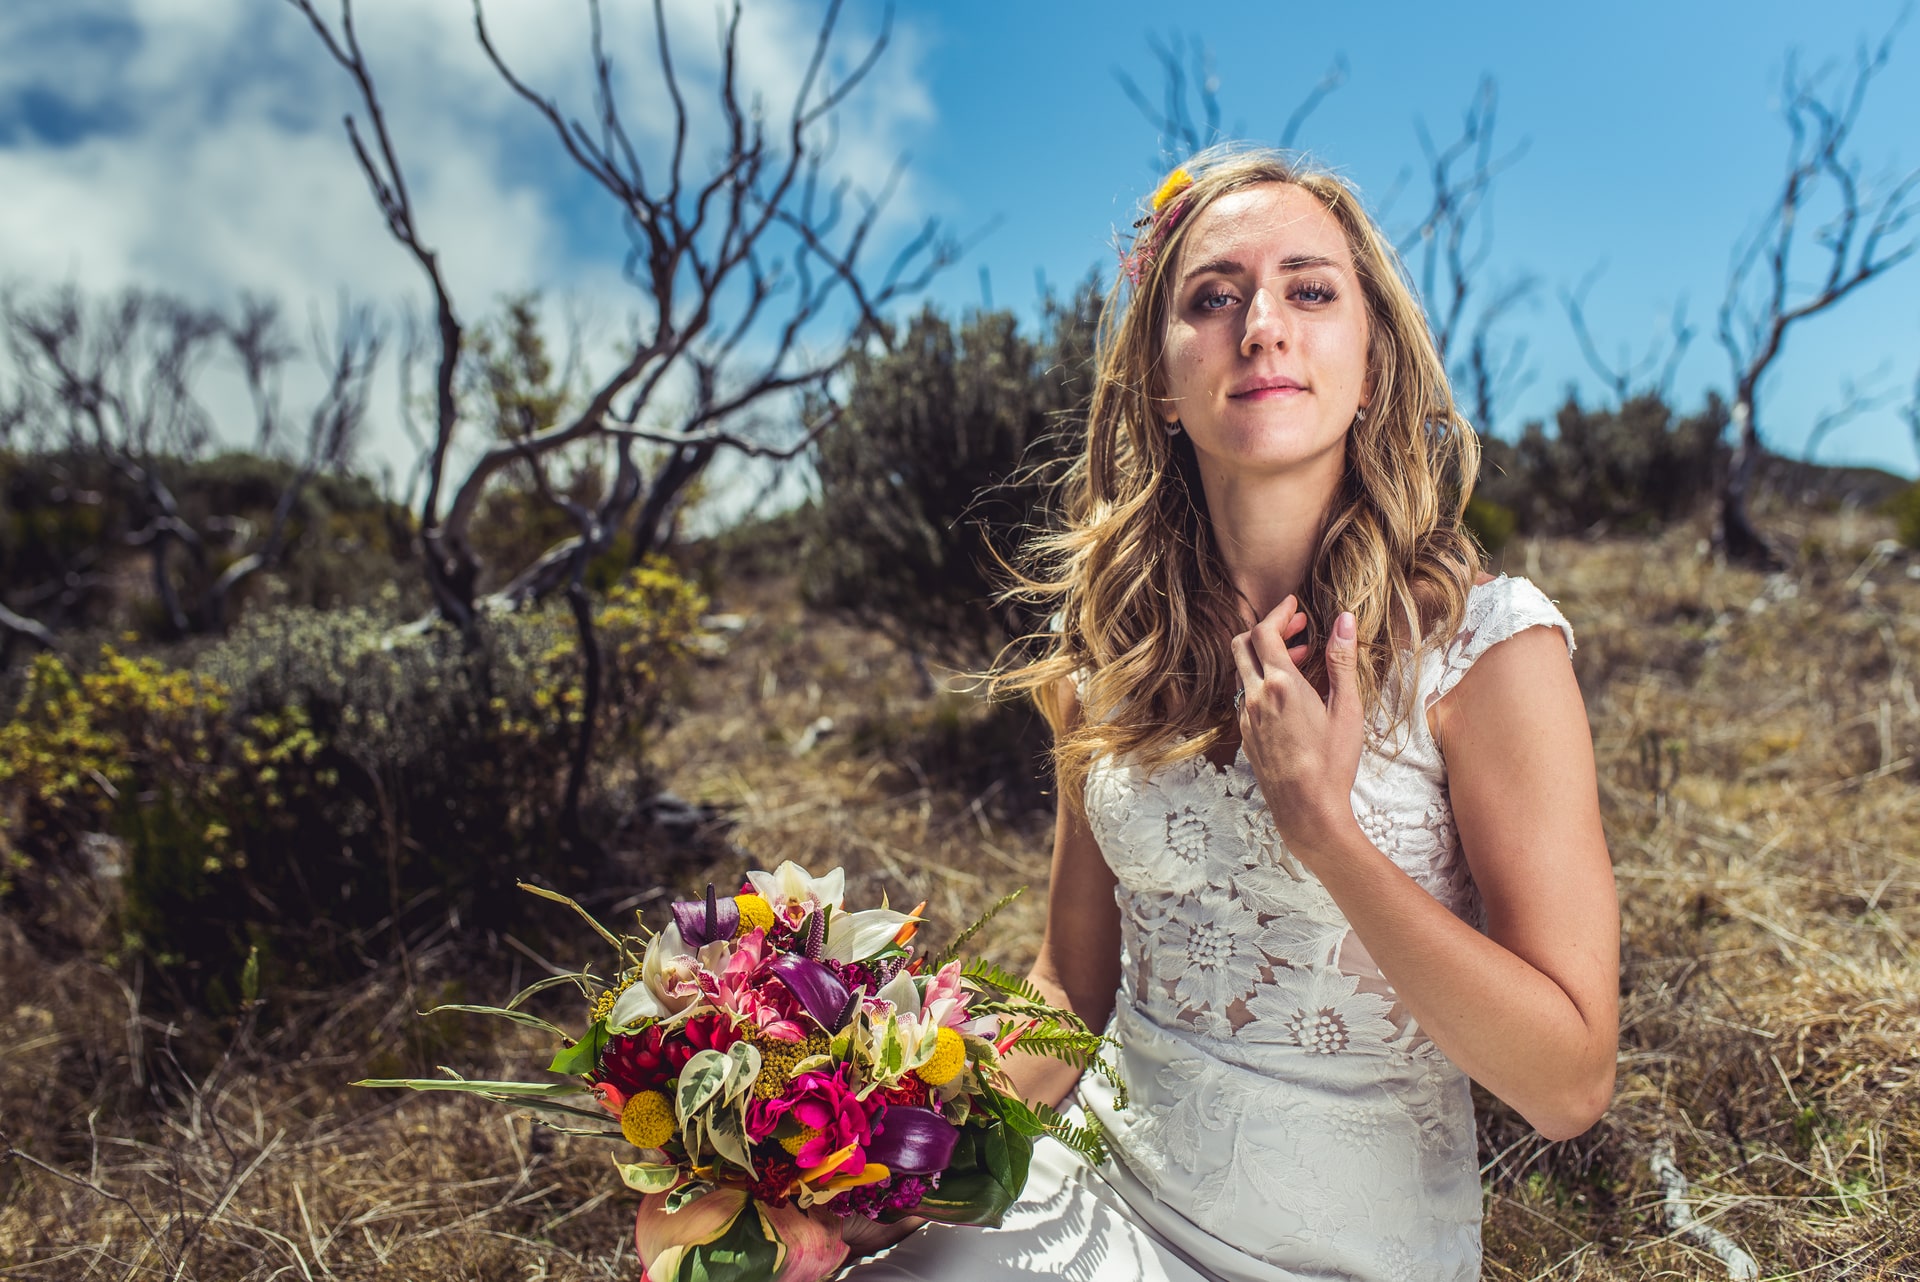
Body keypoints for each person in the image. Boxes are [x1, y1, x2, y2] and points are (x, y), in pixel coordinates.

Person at [846, 143, 1619, 1281]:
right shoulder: (1106, 660)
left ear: (1370, 366)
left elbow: (1568, 1083)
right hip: (1095, 1202)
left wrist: (1326, 832)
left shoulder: (1484, 649)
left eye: (1311, 291)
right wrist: (891, 1156)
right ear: (1162, 381)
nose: (1262, 324)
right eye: (1213, 297)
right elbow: (1071, 991)